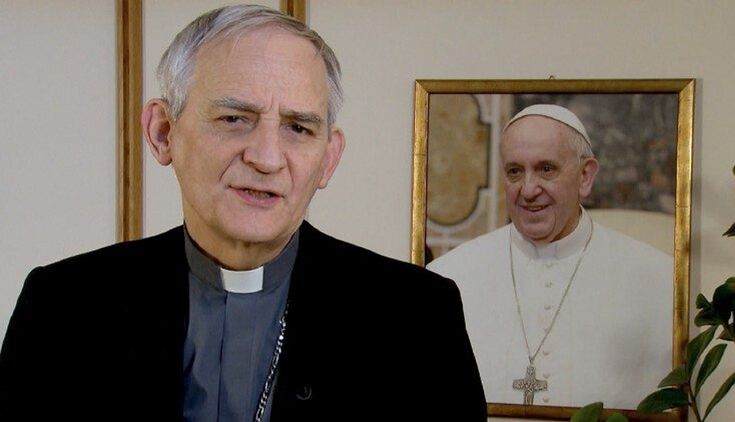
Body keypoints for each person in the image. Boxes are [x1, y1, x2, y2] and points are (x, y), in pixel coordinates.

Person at [0, 5, 485, 421]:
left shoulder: (417, 319)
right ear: (163, 132)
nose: (267, 158)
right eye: (234, 118)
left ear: (328, 159)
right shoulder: (62, 308)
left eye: (298, 128)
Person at [427, 104, 673, 410]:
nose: (528, 189)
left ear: (585, 176)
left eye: (546, 169)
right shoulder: (448, 276)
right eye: (515, 171)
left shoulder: (659, 279)